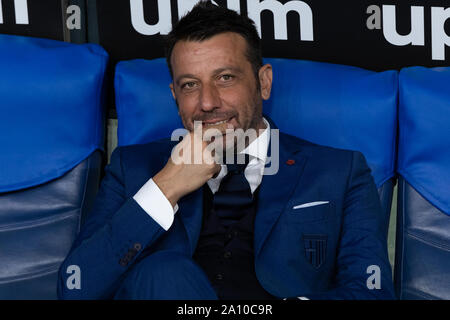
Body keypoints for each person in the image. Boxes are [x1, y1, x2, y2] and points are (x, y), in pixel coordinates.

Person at [58, 1, 395, 300]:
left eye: (225, 78)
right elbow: (76, 287)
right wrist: (165, 188)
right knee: (163, 273)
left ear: (263, 82)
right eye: (190, 85)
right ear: (175, 96)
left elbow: (373, 292)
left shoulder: (339, 171)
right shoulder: (134, 167)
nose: (207, 103)